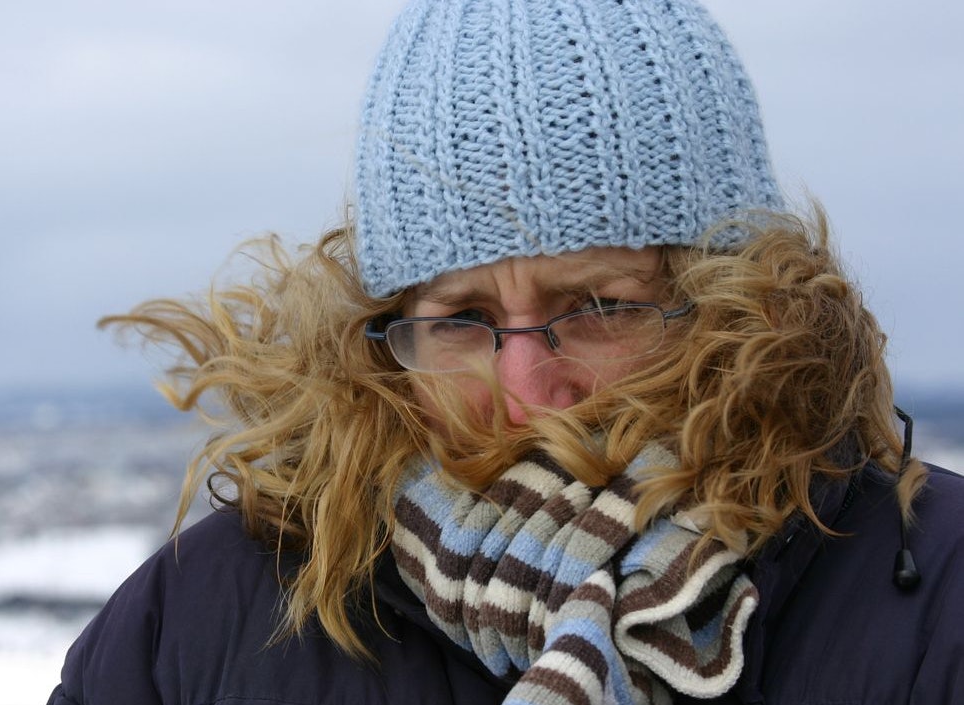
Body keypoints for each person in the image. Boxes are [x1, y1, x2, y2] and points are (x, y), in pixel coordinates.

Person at [48, 0, 964, 703]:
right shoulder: (202, 622)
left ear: (740, 306)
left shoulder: (936, 599)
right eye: (461, 318)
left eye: (598, 306)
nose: (527, 389)